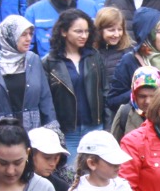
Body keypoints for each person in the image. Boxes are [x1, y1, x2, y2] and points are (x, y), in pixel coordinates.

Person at [0, 15, 58, 131]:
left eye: (30, 34)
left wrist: (53, 129)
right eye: (23, 34)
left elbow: (45, 99)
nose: (29, 38)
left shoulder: (33, 60)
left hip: (30, 132)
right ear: (9, 36)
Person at [43, 9, 110, 160]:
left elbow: (105, 92)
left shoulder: (93, 57)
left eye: (86, 31)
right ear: (64, 32)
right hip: (68, 130)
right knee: (71, 175)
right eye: (78, 31)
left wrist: (107, 124)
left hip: (94, 126)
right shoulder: (50, 62)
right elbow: (48, 101)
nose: (84, 36)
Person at [106, 8, 160, 113]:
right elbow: (112, 101)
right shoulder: (130, 60)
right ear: (147, 33)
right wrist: (137, 93)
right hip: (137, 125)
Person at [109, 67, 160, 141]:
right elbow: (114, 146)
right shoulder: (124, 113)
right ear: (134, 95)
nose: (147, 101)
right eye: (142, 96)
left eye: (153, 96)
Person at [30, 126, 71, 191]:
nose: (52, 163)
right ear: (30, 154)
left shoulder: (62, 188)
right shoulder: (14, 182)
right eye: (47, 158)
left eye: (56, 158)